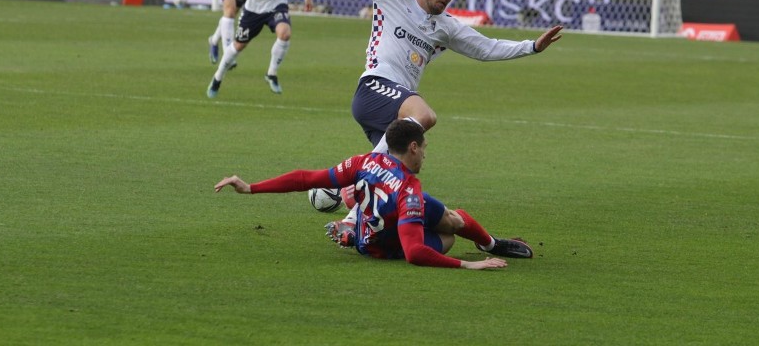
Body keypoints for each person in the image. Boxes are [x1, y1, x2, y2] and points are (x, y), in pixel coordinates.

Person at [301, 0, 562, 236]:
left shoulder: (447, 27)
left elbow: (486, 48)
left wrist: (531, 46)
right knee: (424, 117)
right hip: (375, 87)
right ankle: (343, 178)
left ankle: (351, 221)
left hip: (394, 108)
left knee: (398, 170)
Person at [214, 119, 529, 268]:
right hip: (380, 246)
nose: (425, 156)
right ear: (413, 147)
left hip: (373, 226)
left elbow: (305, 178)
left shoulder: (364, 161)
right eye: (425, 149)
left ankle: (491, 243)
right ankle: (485, 247)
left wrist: (251, 187)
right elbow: (415, 254)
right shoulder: (409, 189)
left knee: (448, 216)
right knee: (448, 234)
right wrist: (471, 265)